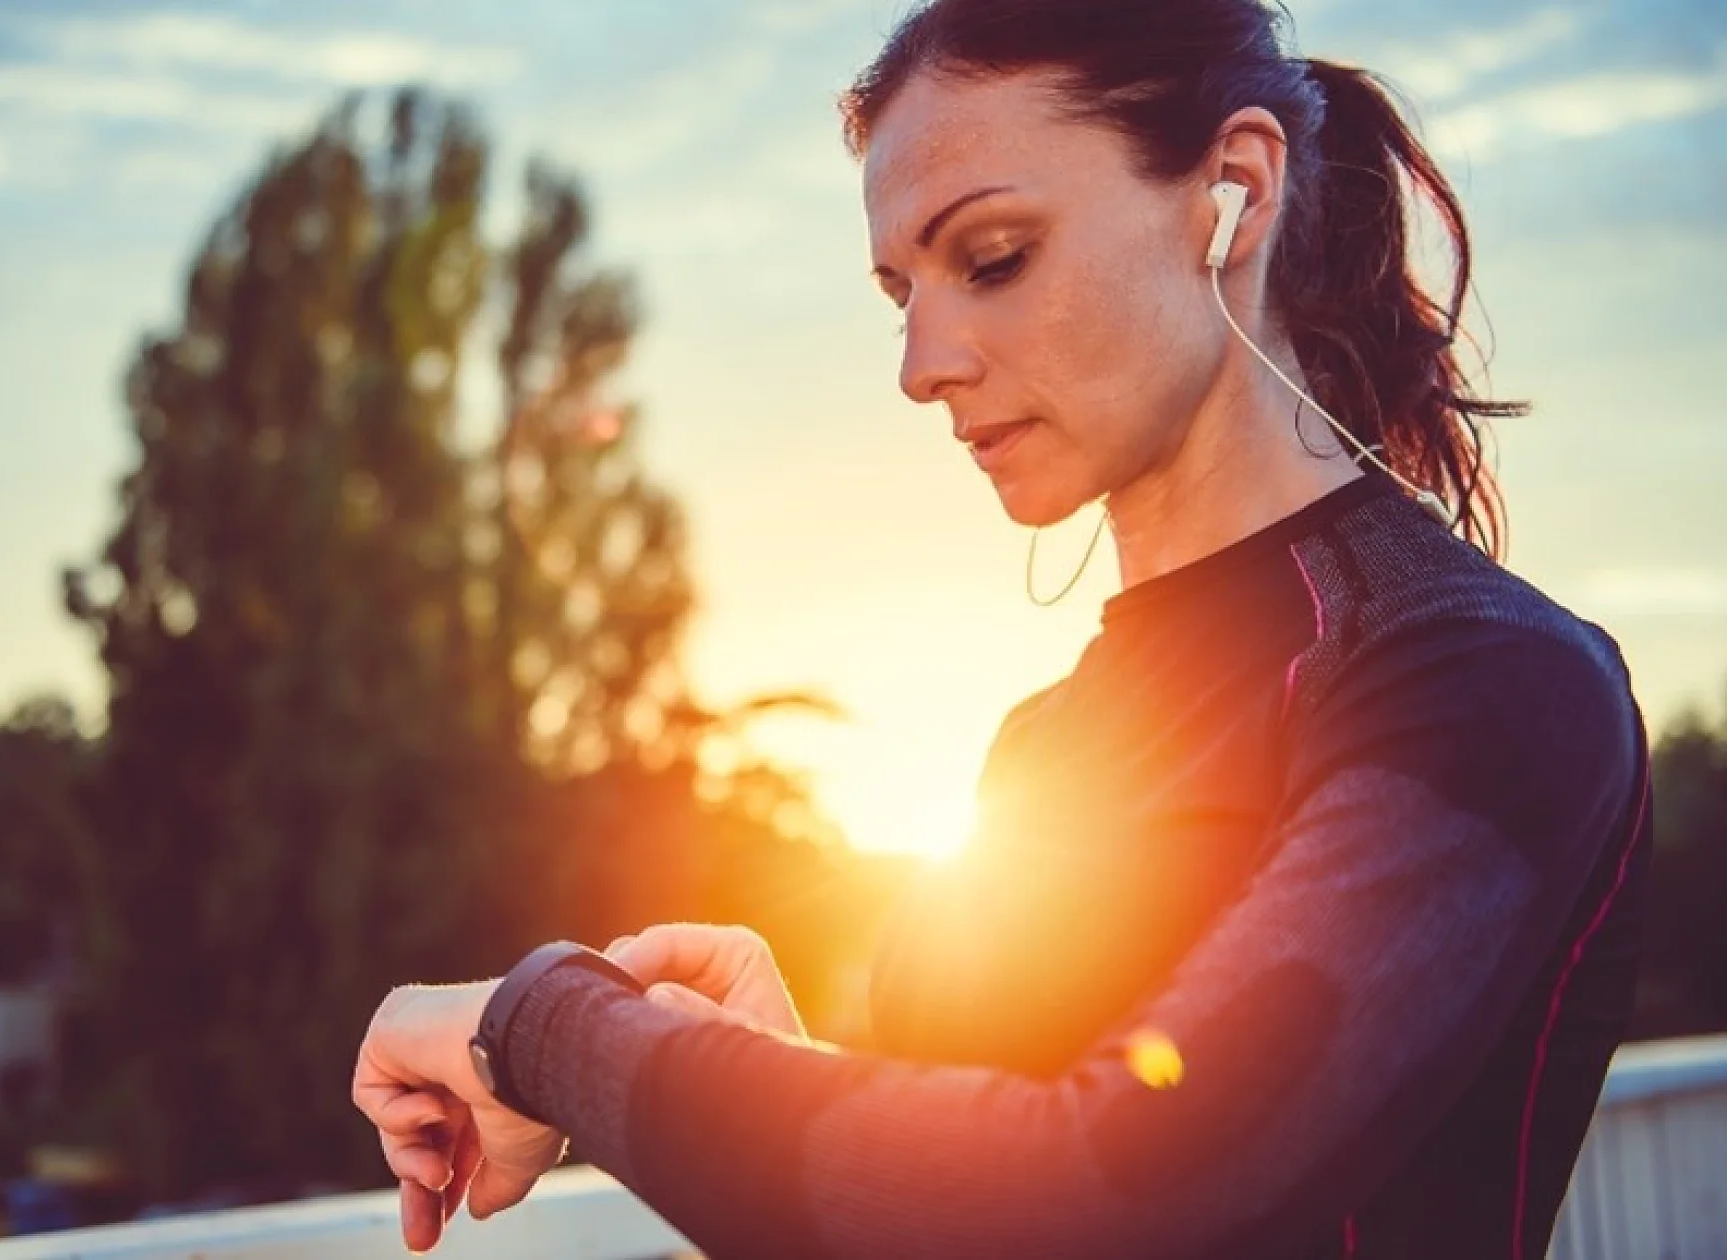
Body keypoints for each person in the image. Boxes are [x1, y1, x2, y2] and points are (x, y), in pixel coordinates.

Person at [352, 1, 1655, 1256]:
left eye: (992, 259)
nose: (921, 365)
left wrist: (541, 1029)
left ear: (1235, 196)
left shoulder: (1484, 682)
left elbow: (1106, 1196)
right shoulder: (1041, 743)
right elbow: (965, 1194)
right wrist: (782, 1072)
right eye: (900, 292)